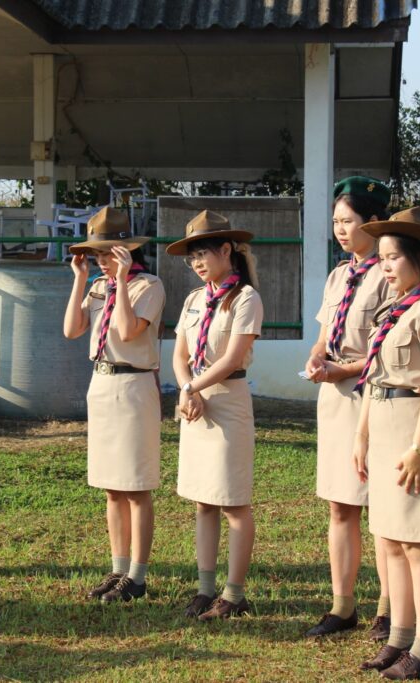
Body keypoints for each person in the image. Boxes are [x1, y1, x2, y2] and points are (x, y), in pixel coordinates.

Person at [352, 208, 420, 678]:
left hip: (415, 431)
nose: (385, 267)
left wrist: (419, 448)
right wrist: (361, 436)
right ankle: (399, 637)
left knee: (419, 544)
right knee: (391, 540)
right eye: (381, 259)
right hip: (384, 426)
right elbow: (374, 378)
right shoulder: (394, 310)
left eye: (393, 257)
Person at [304, 177, 393, 639]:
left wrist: (343, 369)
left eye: (348, 221)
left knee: (382, 510)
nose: (340, 229)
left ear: (373, 223)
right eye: (336, 221)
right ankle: (342, 605)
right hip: (336, 400)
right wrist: (317, 357)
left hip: (373, 397)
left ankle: (389, 608)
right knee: (341, 505)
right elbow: (324, 334)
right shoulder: (339, 275)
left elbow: (388, 350)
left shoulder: (390, 275)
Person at [62, 207, 166, 602]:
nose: (102, 261)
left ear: (128, 250)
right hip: (102, 384)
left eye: (108, 253)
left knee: (136, 486)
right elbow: (71, 330)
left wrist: (121, 281)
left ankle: (137, 575)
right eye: (97, 255)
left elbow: (127, 330)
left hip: (134, 385)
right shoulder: (97, 285)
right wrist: (80, 280)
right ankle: (118, 567)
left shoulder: (148, 286)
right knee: (111, 487)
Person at [167, 210, 263, 621]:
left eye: (203, 254)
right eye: (192, 258)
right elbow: (179, 355)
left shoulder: (245, 298)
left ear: (226, 250)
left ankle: (234, 594)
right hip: (196, 403)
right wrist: (186, 388)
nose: (197, 263)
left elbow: (232, 358)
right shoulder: (194, 299)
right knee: (203, 501)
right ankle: (205, 589)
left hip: (227, 400)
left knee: (233, 502)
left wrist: (192, 388)